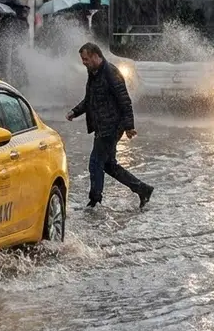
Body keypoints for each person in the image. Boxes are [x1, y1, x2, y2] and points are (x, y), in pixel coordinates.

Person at [66, 43, 154, 209]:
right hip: (102, 126)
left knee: (95, 162)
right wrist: (75, 112)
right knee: (108, 165)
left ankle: (94, 202)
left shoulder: (111, 73)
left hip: (111, 127)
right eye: (82, 59)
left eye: (85, 59)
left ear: (95, 56)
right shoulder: (93, 73)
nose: (83, 62)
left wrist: (129, 126)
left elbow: (124, 100)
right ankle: (143, 189)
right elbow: (89, 99)